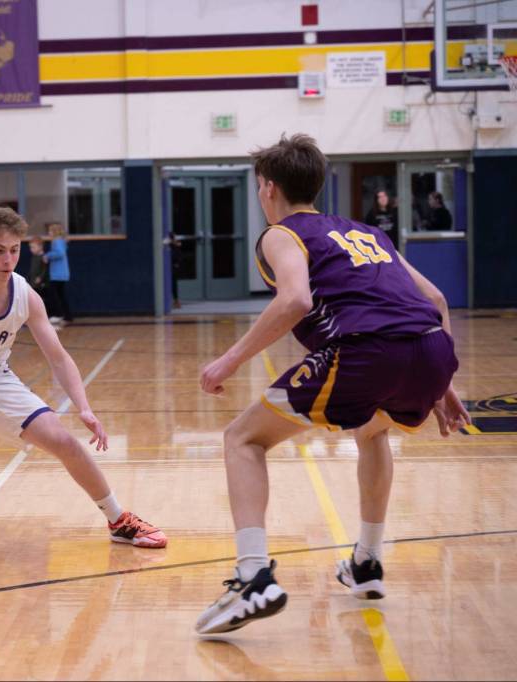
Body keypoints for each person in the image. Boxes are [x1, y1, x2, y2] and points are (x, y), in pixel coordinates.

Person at [194, 134, 468, 635]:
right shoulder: (366, 231)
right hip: (430, 347)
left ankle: (252, 575)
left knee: (243, 438)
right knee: (373, 431)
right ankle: (366, 562)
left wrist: (230, 359)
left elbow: (295, 299)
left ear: (267, 188)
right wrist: (442, 379)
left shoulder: (281, 234)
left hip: (368, 349)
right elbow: (437, 300)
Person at [0, 206, 167, 559]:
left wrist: (84, 407)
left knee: (66, 442)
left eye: (14, 250)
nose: (8, 259)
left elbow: (58, 356)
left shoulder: (24, 294)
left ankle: (118, 520)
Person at [44, 221, 73, 325]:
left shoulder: (57, 242)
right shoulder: (61, 242)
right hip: (61, 274)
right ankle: (67, 316)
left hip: (57, 274)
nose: (48, 233)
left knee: (54, 295)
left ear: (54, 232)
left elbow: (60, 253)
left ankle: (58, 314)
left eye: (50, 231)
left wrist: (48, 255)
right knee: (61, 295)